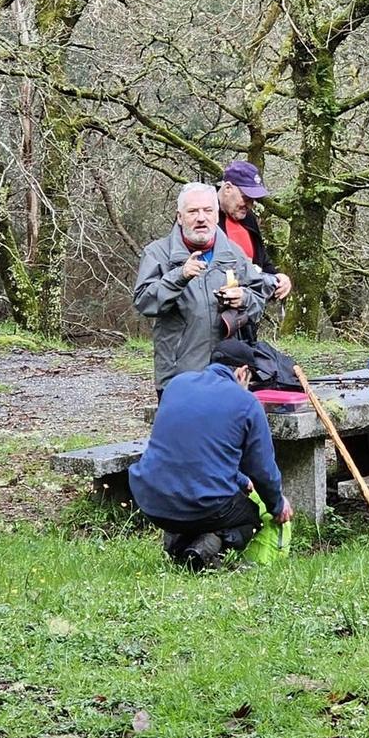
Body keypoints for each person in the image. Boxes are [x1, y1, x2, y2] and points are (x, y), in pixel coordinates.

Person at [128, 339, 294, 570]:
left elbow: (195, 450)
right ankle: (205, 549)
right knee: (250, 515)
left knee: (201, 497)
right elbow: (262, 469)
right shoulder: (246, 403)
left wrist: (240, 479)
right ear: (242, 372)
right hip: (201, 504)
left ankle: (179, 547)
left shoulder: (177, 384)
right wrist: (277, 506)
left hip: (149, 499)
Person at [133, 183, 268, 394]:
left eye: (207, 211)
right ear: (180, 217)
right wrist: (180, 276)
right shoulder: (158, 253)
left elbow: (259, 299)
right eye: (193, 211)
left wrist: (244, 298)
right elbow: (143, 302)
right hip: (178, 379)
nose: (201, 218)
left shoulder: (234, 254)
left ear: (216, 216)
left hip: (229, 377)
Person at [217, 160, 294, 304]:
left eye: (252, 200)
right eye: (246, 198)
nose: (250, 205)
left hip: (246, 312)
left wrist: (278, 278)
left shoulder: (249, 219)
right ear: (227, 189)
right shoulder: (203, 218)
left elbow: (260, 260)